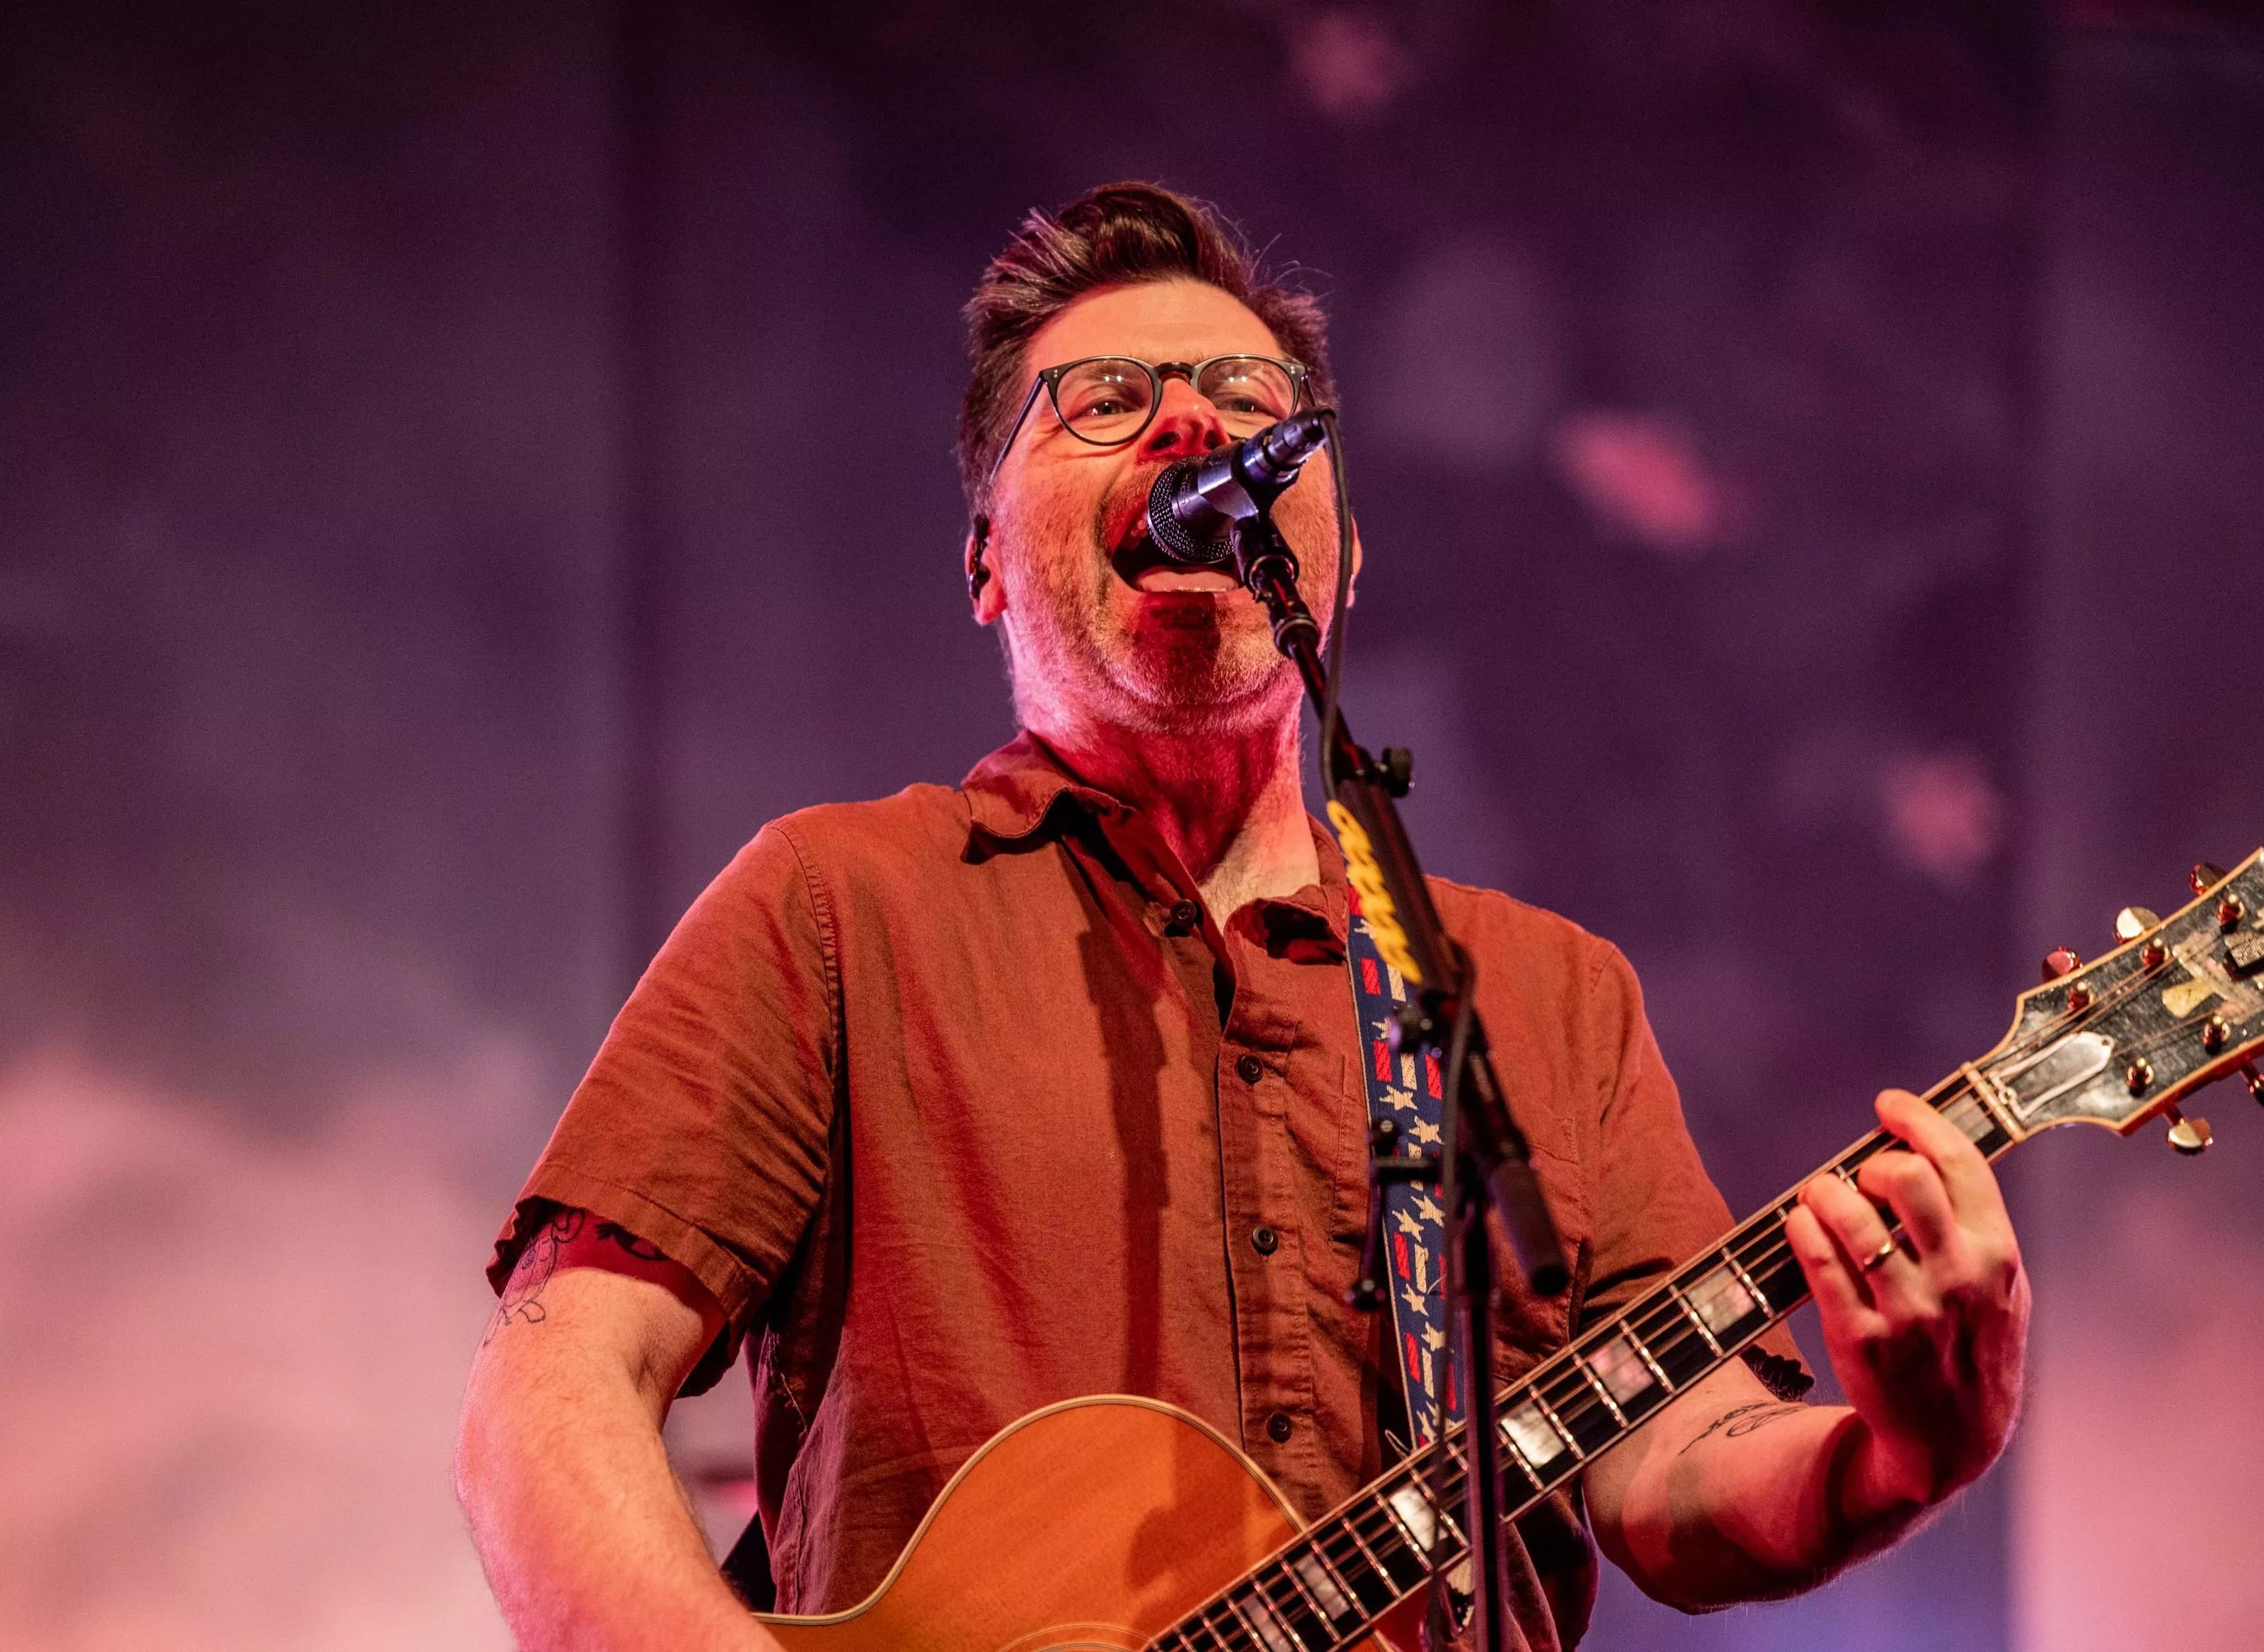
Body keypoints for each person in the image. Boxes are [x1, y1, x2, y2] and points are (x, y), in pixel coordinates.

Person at [453, 181, 2029, 1651]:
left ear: (1336, 560)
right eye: (1105, 405)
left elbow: (1668, 1471)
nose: (1198, 423)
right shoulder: (838, 905)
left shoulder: (1546, 997)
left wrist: (1895, 1455)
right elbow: (557, 1374)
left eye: (1256, 410)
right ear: (989, 561)